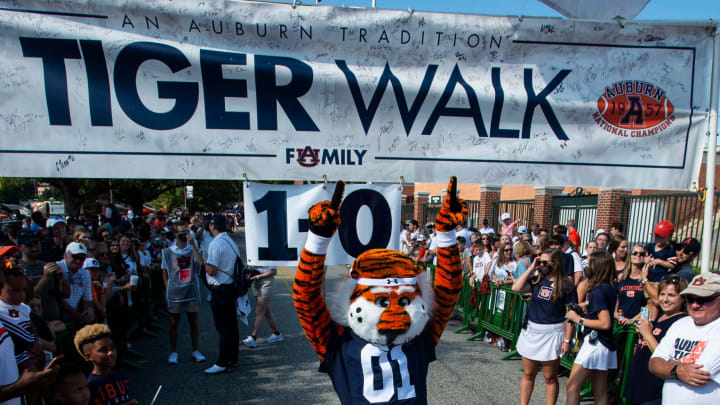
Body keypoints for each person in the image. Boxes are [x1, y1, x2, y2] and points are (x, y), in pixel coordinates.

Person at [513, 249, 576, 405]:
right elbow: (516, 287)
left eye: (544, 262)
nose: (541, 265)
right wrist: (531, 268)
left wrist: (567, 340)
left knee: (550, 377)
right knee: (528, 373)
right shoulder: (536, 280)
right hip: (532, 331)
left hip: (552, 333)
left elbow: (571, 315)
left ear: (555, 264)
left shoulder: (567, 285)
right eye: (539, 261)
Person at [649, 272, 720, 405]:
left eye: (702, 300)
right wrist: (678, 370)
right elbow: (654, 363)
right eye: (690, 299)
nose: (694, 305)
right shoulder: (680, 324)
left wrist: (668, 363)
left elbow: (701, 373)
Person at [625, 276, 688, 405]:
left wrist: (647, 333)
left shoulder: (682, 322)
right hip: (638, 382)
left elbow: (666, 358)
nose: (665, 299)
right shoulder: (661, 316)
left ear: (682, 298)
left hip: (653, 388)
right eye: (662, 294)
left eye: (671, 295)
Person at [565, 252, 618, 405]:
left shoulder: (599, 291)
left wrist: (578, 319)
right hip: (604, 344)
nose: (587, 266)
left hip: (596, 343)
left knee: (572, 385)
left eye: (590, 263)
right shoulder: (608, 288)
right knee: (600, 390)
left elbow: (605, 323)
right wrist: (583, 308)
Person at [161, 221, 206, 364]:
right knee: (174, 323)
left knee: (193, 322)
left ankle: (195, 350)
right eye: (181, 232)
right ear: (175, 234)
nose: (184, 235)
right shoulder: (168, 252)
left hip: (190, 290)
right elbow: (165, 272)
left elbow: (201, 264)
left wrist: (193, 245)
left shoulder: (192, 249)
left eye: (186, 231)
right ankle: (173, 352)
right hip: (175, 292)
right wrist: (167, 290)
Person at [203, 214, 240, 374]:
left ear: (212, 226)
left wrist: (203, 264)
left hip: (220, 289)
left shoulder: (216, 243)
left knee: (223, 328)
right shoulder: (230, 241)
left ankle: (223, 361)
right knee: (231, 327)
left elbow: (212, 270)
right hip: (230, 288)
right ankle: (232, 358)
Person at [74, 324, 137, 405]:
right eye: (103, 350)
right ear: (89, 356)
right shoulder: (91, 385)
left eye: (112, 347)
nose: (110, 352)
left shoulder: (121, 377)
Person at [242, 266, 283, 348]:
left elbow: (273, 271)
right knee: (266, 311)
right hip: (255, 280)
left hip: (266, 281)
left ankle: (253, 338)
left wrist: (258, 276)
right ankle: (277, 334)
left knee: (260, 310)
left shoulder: (269, 253)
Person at [57, 243, 94, 324]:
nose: (78, 261)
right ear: (66, 255)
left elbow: (87, 299)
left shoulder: (85, 274)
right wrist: (76, 314)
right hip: (57, 317)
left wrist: (89, 309)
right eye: (75, 257)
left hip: (73, 318)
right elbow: (58, 298)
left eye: (82, 258)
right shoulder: (57, 268)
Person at [615, 245, 652, 324]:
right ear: (630, 256)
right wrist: (617, 315)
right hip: (620, 321)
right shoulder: (621, 277)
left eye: (641, 254)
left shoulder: (646, 278)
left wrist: (632, 320)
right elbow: (616, 299)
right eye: (635, 253)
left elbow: (649, 305)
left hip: (637, 322)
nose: (638, 255)